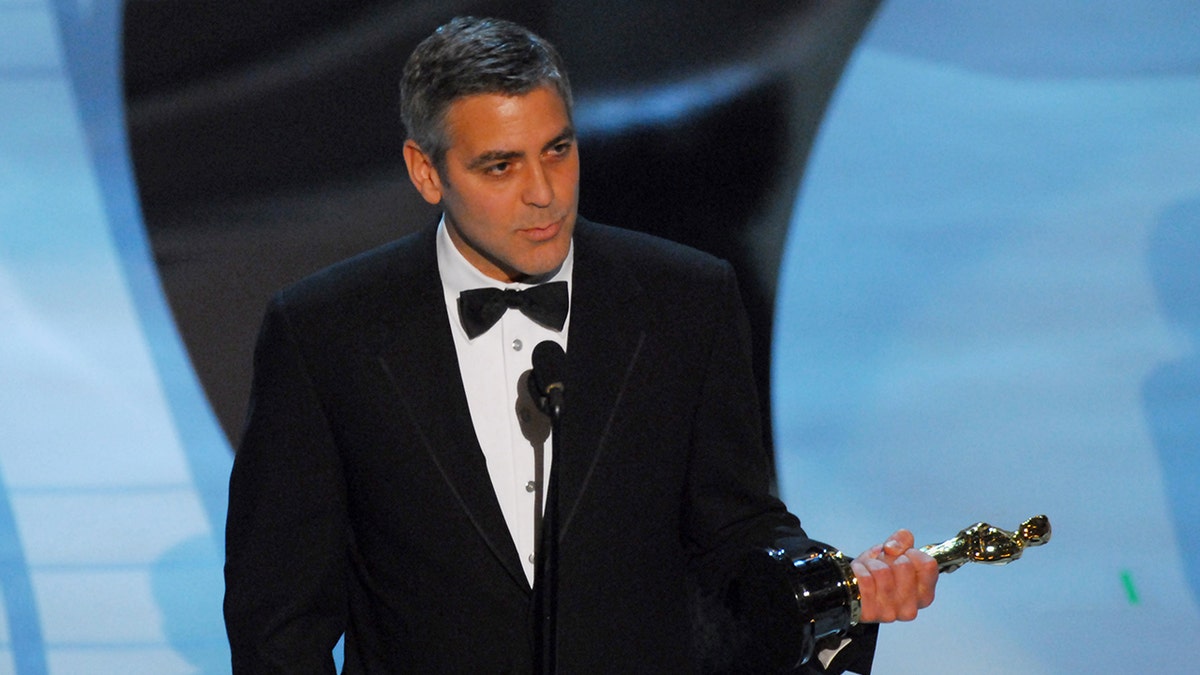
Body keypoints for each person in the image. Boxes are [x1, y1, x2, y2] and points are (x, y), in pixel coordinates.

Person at [223, 16, 938, 673]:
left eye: (557, 151)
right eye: (500, 166)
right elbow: (278, 619)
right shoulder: (326, 332)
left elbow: (736, 528)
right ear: (425, 170)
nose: (544, 192)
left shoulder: (684, 301)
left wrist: (829, 583)